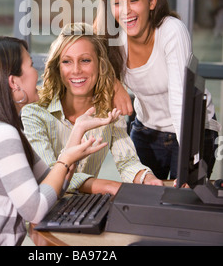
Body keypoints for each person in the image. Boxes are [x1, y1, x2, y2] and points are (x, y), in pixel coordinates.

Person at [0, 36, 117, 246]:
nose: (37, 73)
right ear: (14, 82)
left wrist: (78, 130)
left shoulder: (1, 128)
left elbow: (50, 181)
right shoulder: (1, 134)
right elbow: (35, 210)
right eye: (31, 65)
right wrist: (65, 160)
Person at [95, 0, 220, 180]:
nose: (126, 11)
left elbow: (181, 99)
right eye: (116, 3)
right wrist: (114, 84)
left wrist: (189, 163)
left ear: (152, 1)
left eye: (134, 0)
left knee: (183, 201)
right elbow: (87, 49)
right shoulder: (113, 38)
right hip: (147, 130)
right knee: (142, 197)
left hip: (192, 128)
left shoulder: (171, 30)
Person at [22, 22, 162, 195]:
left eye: (85, 60)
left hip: (85, 206)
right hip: (43, 209)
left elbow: (127, 161)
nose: (76, 70)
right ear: (58, 67)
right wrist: (107, 186)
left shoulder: (109, 110)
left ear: (100, 65)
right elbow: (49, 176)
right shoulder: (35, 112)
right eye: (67, 61)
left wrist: (146, 179)